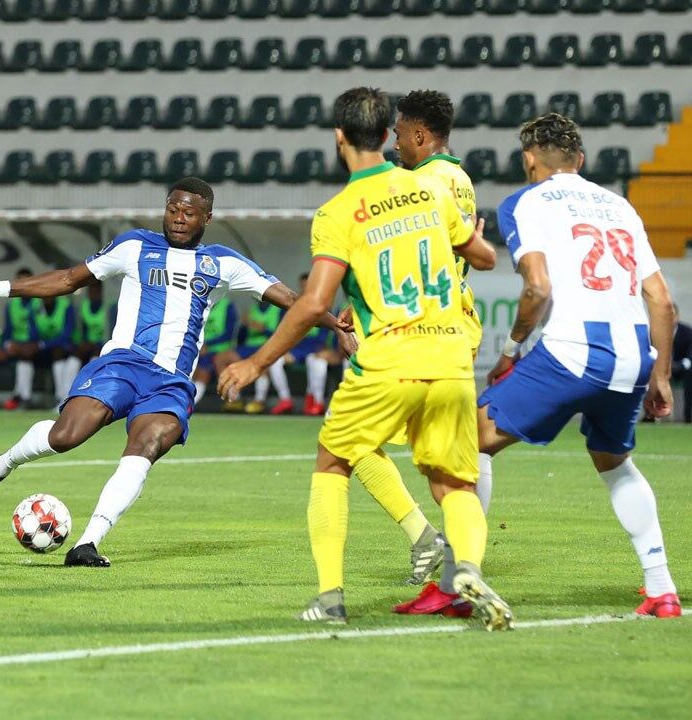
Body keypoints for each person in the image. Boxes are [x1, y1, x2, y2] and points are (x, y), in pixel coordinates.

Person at [218, 87, 510, 629]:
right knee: (454, 483)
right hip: (450, 353)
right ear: (384, 134)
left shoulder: (337, 213)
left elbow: (313, 304)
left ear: (340, 137)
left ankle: (330, 599)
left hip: (390, 357)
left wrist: (256, 363)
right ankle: (465, 568)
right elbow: (486, 258)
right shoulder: (430, 190)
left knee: (333, 460)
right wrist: (471, 237)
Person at [0, 177, 350, 567]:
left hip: (171, 381)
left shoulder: (224, 263)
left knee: (144, 448)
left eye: (189, 213)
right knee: (66, 436)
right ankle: (1, 465)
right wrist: (0, 288)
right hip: (123, 364)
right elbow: (68, 279)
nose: (179, 218)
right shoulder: (134, 246)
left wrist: (337, 326)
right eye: (173, 209)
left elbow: (293, 299)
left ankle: (87, 543)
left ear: (207, 218)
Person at [475, 113, 681, 618]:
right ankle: (662, 589)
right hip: (633, 357)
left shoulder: (525, 202)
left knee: (470, 440)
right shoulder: (620, 205)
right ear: (580, 160)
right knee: (614, 458)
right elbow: (662, 301)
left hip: (574, 351)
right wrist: (660, 376)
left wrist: (511, 350)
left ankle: (460, 577)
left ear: (529, 159)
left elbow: (537, 288)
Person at [380, 90, 488, 607]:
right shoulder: (459, 179)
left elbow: (410, 258)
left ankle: (442, 555)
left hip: (421, 328)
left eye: (400, 132)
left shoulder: (420, 184)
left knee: (351, 440)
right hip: (456, 323)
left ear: (421, 134)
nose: (394, 141)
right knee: (456, 454)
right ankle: (456, 568)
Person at [234, 301, 292, 414]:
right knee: (226, 358)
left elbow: (283, 334)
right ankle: (235, 399)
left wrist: (262, 329)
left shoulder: (279, 310)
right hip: (249, 347)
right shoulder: (251, 310)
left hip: (267, 346)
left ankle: (259, 400)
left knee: (263, 362)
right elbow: (241, 337)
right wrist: (244, 325)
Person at [287, 272, 332, 416]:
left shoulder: (324, 304)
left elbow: (324, 334)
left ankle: (317, 401)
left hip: (315, 348)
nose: (306, 288)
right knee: (276, 361)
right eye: (303, 285)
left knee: (317, 361)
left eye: (308, 285)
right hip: (297, 348)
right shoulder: (293, 304)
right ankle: (285, 399)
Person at [33, 295, 82, 406]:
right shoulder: (35, 307)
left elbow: (67, 334)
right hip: (45, 348)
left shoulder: (65, 306)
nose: (47, 296)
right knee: (26, 355)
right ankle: (60, 397)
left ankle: (65, 398)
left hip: (68, 345)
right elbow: (33, 332)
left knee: (65, 354)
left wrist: (43, 344)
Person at [0, 268, 38, 410]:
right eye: (20, 281)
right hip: (17, 345)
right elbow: (7, 330)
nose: (24, 284)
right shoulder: (11, 305)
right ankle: (21, 396)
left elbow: (39, 329)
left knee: (26, 354)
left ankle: (21, 396)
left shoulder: (38, 302)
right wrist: (6, 344)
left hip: (36, 345)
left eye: (27, 281)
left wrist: (33, 344)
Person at [191, 297, 237, 408]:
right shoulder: (199, 304)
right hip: (200, 350)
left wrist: (207, 344)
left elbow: (229, 334)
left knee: (203, 373)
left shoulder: (227, 306)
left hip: (219, 351)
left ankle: (234, 400)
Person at [76, 278, 111, 364]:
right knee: (75, 355)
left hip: (103, 343)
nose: (93, 294)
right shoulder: (84, 305)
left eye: (96, 292)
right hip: (88, 343)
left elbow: (110, 331)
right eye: (91, 291)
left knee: (96, 355)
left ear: (101, 292)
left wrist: (98, 344)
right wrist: (85, 342)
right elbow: (83, 328)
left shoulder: (108, 308)